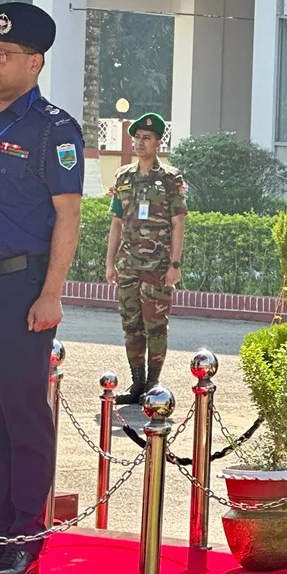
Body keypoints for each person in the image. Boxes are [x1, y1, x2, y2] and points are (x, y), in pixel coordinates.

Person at [0, 2, 84, 574]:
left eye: (3, 54)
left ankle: (27, 532)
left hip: (20, 287)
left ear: (34, 62)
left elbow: (67, 217)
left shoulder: (55, 129)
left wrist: (52, 291)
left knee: (21, 415)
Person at [105, 113, 187, 405]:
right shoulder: (123, 177)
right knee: (131, 324)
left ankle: (154, 383)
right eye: (137, 137)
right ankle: (137, 382)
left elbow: (178, 223)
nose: (140, 143)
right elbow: (116, 222)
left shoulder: (169, 178)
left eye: (146, 138)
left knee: (156, 325)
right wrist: (110, 262)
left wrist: (174, 265)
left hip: (157, 267)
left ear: (158, 142)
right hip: (128, 266)